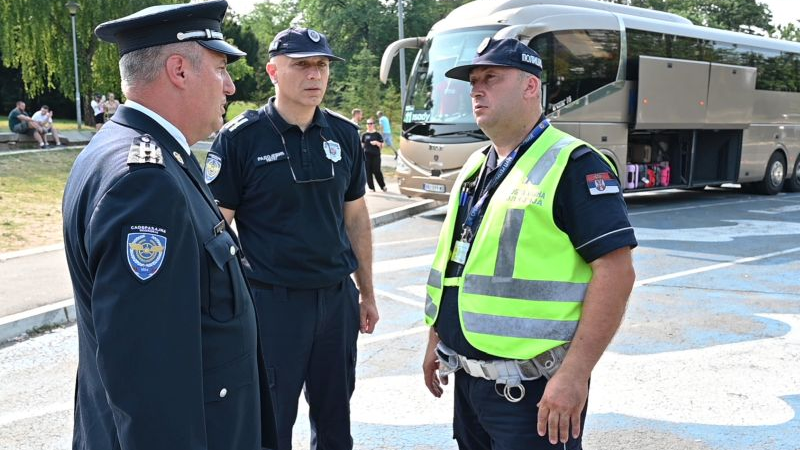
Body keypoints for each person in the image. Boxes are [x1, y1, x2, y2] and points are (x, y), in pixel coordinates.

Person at [61, 2, 277, 449]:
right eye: (221, 68)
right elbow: (148, 376)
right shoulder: (145, 183)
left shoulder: (131, 151)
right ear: (179, 69)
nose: (231, 86)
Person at [422, 38, 637, 450]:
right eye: (473, 82)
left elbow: (616, 272)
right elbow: (458, 265)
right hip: (470, 383)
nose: (477, 90)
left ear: (530, 87)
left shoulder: (574, 164)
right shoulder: (475, 167)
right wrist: (436, 338)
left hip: (534, 390)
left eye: (491, 78)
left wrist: (574, 375)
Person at [206, 27, 379, 450]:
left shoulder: (342, 134)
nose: (314, 74)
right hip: (272, 303)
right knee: (270, 422)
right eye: (301, 65)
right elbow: (214, 226)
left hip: (335, 300)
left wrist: (367, 293)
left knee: (336, 420)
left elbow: (355, 215)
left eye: (321, 65)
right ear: (273, 72)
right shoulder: (241, 138)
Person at [361, 118, 387, 192]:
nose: (369, 125)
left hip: (376, 155)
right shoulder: (364, 135)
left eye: (371, 123)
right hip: (366, 156)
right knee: (368, 171)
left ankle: (383, 186)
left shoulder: (377, 134)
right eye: (368, 123)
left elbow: (382, 145)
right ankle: (371, 188)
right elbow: (362, 145)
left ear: (374, 124)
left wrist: (377, 143)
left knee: (377, 171)